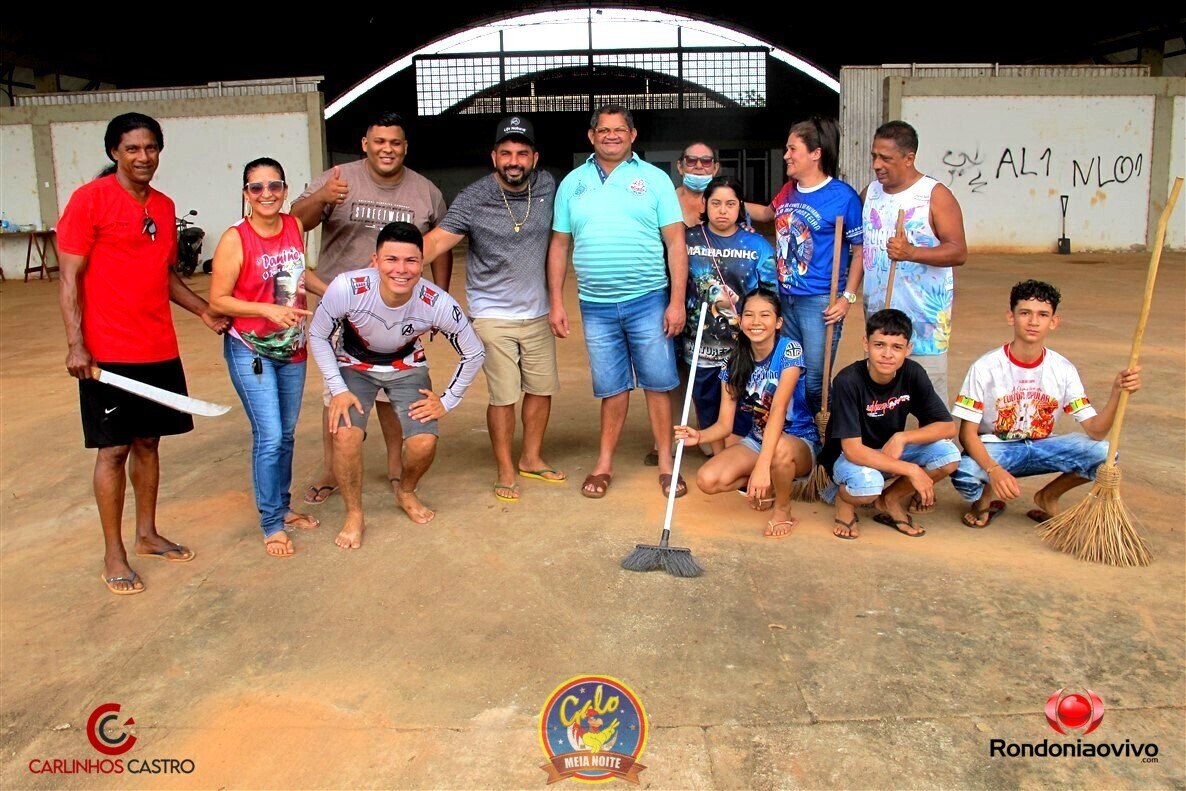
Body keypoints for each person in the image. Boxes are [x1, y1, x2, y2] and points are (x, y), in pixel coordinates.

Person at [57, 112, 230, 595]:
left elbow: (165, 274)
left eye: (151, 148)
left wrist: (202, 311)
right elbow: (69, 278)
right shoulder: (89, 200)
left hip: (156, 346)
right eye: (132, 149)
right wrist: (76, 343)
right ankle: (114, 551)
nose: (143, 157)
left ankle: (147, 533)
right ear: (114, 152)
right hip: (106, 353)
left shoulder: (163, 204)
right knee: (112, 449)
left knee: (149, 443)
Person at [292, 111, 451, 505]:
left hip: (398, 308)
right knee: (339, 393)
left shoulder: (425, 191)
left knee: (394, 387)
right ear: (365, 144)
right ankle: (332, 470)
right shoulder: (338, 179)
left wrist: (440, 299)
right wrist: (323, 197)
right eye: (379, 141)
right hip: (338, 306)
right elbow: (295, 222)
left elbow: (442, 243)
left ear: (405, 147)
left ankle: (396, 468)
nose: (387, 149)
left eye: (395, 142)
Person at [308, 222, 485, 549]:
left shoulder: (438, 302)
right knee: (345, 436)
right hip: (353, 364)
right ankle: (354, 514)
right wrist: (338, 388)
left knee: (423, 444)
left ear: (421, 263)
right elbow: (317, 334)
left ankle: (405, 490)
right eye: (391, 260)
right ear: (375, 260)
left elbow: (474, 352)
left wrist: (447, 400)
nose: (401, 270)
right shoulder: (347, 287)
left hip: (406, 366)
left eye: (411, 261)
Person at [547, 104, 688, 499]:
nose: (611, 135)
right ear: (591, 136)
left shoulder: (655, 180)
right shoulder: (572, 183)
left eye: (619, 130)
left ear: (633, 135)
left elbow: (675, 242)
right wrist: (557, 302)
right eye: (603, 130)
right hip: (595, 304)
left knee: (659, 384)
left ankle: (665, 463)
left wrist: (676, 301)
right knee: (612, 387)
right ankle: (604, 462)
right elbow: (559, 245)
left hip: (649, 299)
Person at [422, 116, 564, 503]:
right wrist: (390, 264)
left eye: (521, 153)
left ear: (534, 157)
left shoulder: (550, 186)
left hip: (537, 311)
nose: (513, 160)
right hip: (491, 313)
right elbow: (437, 242)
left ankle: (531, 457)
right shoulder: (472, 197)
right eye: (506, 153)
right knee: (503, 395)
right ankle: (505, 465)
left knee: (541, 388)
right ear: (494, 156)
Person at [950, 280, 1142, 527]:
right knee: (964, 474)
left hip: (1044, 447)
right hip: (998, 449)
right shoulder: (985, 367)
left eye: (1042, 315)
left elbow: (1095, 429)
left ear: (1053, 322)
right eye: (1025, 313)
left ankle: (1049, 495)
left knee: (1106, 455)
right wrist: (993, 469)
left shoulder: (1062, 369)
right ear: (1011, 317)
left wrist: (1117, 392)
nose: (1033, 322)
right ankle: (983, 498)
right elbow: (967, 435)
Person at [208, 157, 319, 557]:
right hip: (250, 348)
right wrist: (266, 310)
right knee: (269, 435)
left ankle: (284, 507)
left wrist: (342, 290)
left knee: (286, 435)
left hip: (293, 348)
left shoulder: (294, 226)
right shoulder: (235, 238)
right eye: (257, 187)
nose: (266, 194)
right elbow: (218, 300)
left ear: (285, 190)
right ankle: (271, 523)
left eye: (274, 185)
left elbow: (301, 274)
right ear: (245, 195)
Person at [676, 289, 820, 538]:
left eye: (765, 315)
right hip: (758, 440)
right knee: (707, 479)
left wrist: (762, 467)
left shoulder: (789, 351)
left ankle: (783, 509)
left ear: (778, 322)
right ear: (740, 321)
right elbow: (724, 425)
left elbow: (777, 410)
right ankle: (774, 483)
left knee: (780, 449)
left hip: (798, 441)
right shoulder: (734, 361)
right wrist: (698, 436)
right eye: (749, 315)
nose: (756, 322)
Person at [747, 117, 864, 417]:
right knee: (791, 374)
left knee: (815, 381)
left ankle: (832, 436)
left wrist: (847, 298)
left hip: (820, 302)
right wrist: (729, 201)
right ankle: (802, 435)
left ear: (816, 153)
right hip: (785, 298)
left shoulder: (843, 196)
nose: (786, 155)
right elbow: (765, 213)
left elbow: (860, 249)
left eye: (792, 149)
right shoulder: (789, 189)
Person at [819, 309, 960, 540]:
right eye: (879, 345)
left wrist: (903, 437)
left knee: (948, 455)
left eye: (896, 347)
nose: (887, 354)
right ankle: (843, 500)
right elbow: (853, 450)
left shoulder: (912, 373)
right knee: (868, 488)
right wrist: (911, 469)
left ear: (909, 349)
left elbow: (947, 427)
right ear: (866, 343)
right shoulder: (848, 381)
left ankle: (890, 499)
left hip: (889, 450)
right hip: (850, 457)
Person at [860, 121, 967, 405]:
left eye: (886, 158)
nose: (877, 165)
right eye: (874, 156)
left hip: (924, 326)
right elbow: (856, 246)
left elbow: (958, 251)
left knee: (930, 405)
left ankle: (936, 449)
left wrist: (911, 252)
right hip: (880, 323)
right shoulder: (869, 194)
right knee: (879, 405)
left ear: (909, 158)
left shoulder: (934, 195)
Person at [682, 176, 777, 456]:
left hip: (741, 347)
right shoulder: (688, 239)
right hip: (699, 345)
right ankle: (715, 451)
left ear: (740, 207)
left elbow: (771, 293)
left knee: (742, 405)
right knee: (706, 400)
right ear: (705, 204)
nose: (722, 210)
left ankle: (736, 454)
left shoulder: (757, 245)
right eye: (716, 203)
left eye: (730, 204)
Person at [675, 141, 721, 227]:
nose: (699, 166)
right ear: (680, 167)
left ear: (715, 168)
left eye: (706, 161)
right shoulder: (665, 200)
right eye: (691, 160)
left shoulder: (725, 201)